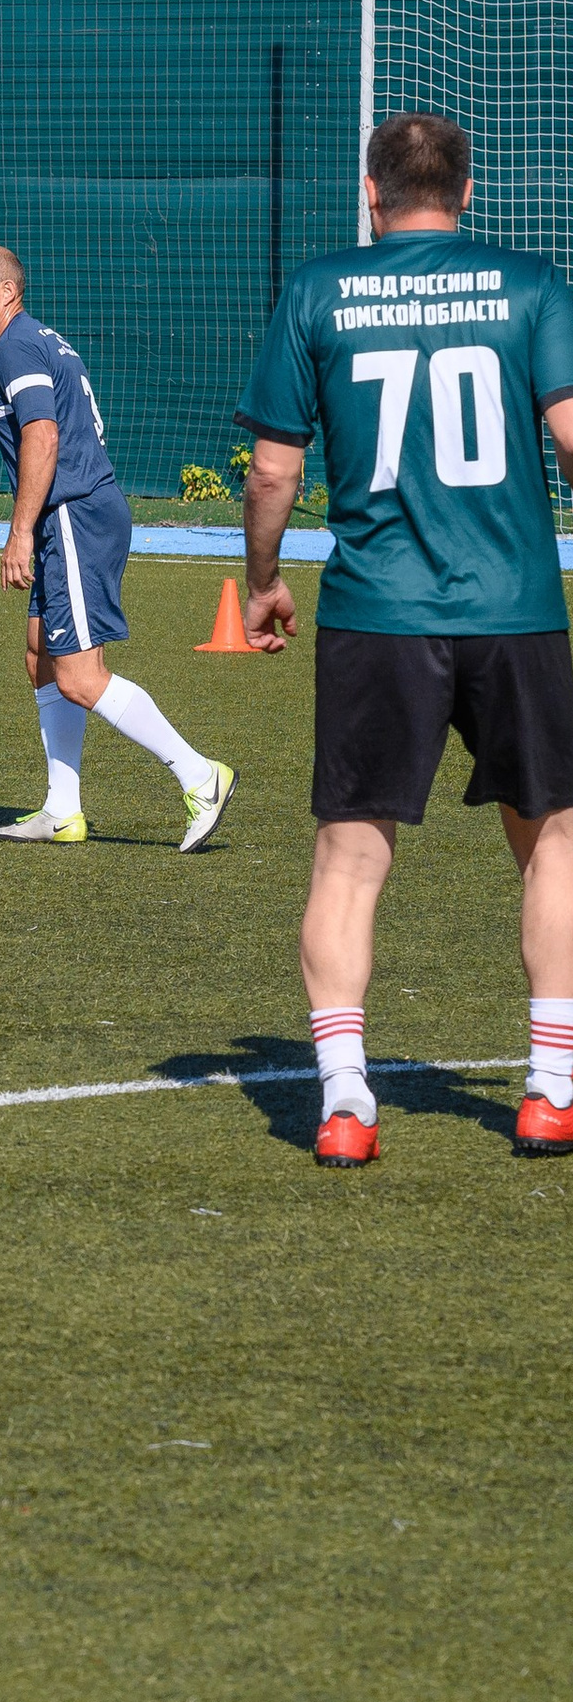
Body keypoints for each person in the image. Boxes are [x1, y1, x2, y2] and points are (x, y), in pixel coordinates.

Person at [238, 110, 573, 1165]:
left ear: (370, 193)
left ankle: (344, 1102)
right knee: (553, 841)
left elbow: (273, 472)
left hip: (376, 612)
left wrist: (262, 581)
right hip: (514, 607)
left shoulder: (318, 290)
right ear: (465, 193)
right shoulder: (530, 285)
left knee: (348, 859)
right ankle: (551, 1090)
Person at [0, 245, 236, 851]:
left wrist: (20, 531)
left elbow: (43, 436)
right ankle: (62, 810)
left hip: (74, 515)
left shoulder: (15, 347)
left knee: (80, 678)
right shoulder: (39, 339)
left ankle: (200, 775)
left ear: (7, 292)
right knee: (40, 656)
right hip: (75, 515)